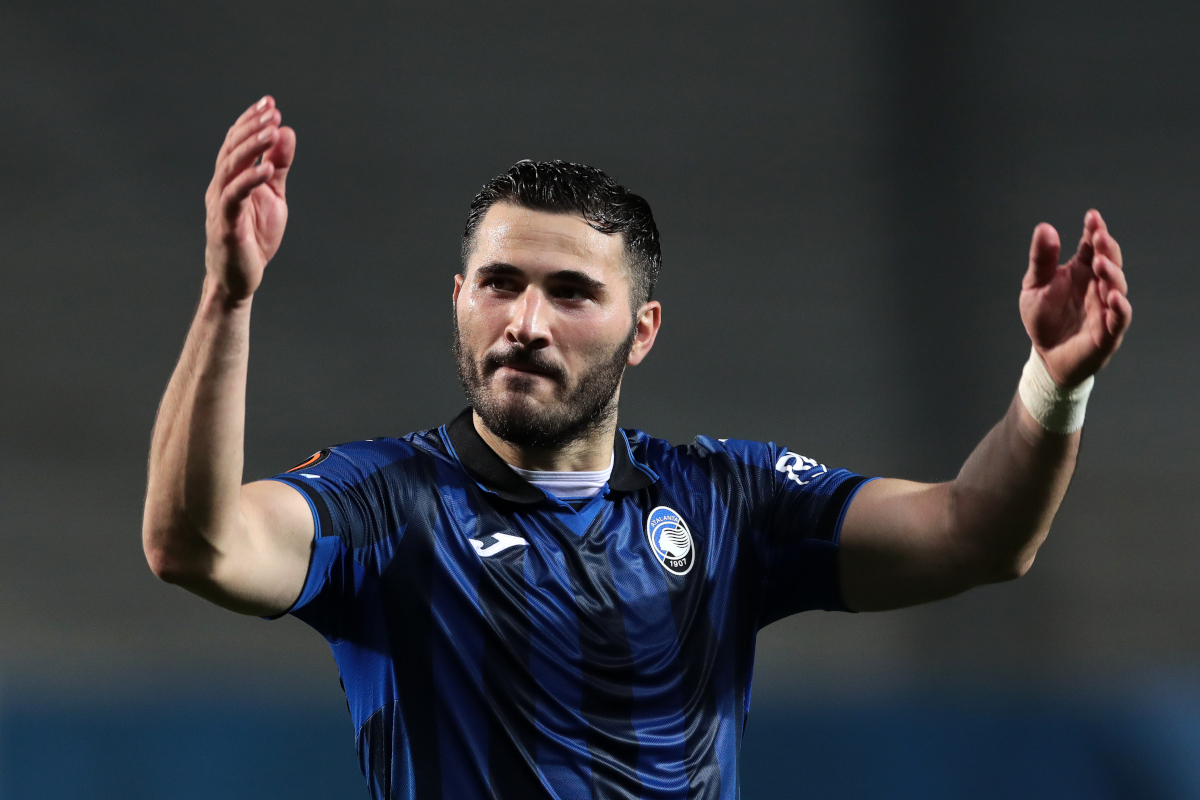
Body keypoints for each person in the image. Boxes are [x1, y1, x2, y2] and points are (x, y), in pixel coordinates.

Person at [142, 96, 1132, 800]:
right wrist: (229, 295)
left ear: (641, 330)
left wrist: (1055, 382)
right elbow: (197, 542)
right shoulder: (386, 501)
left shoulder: (726, 500)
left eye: (571, 292)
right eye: (499, 282)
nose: (525, 321)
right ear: (460, 299)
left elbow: (977, 532)